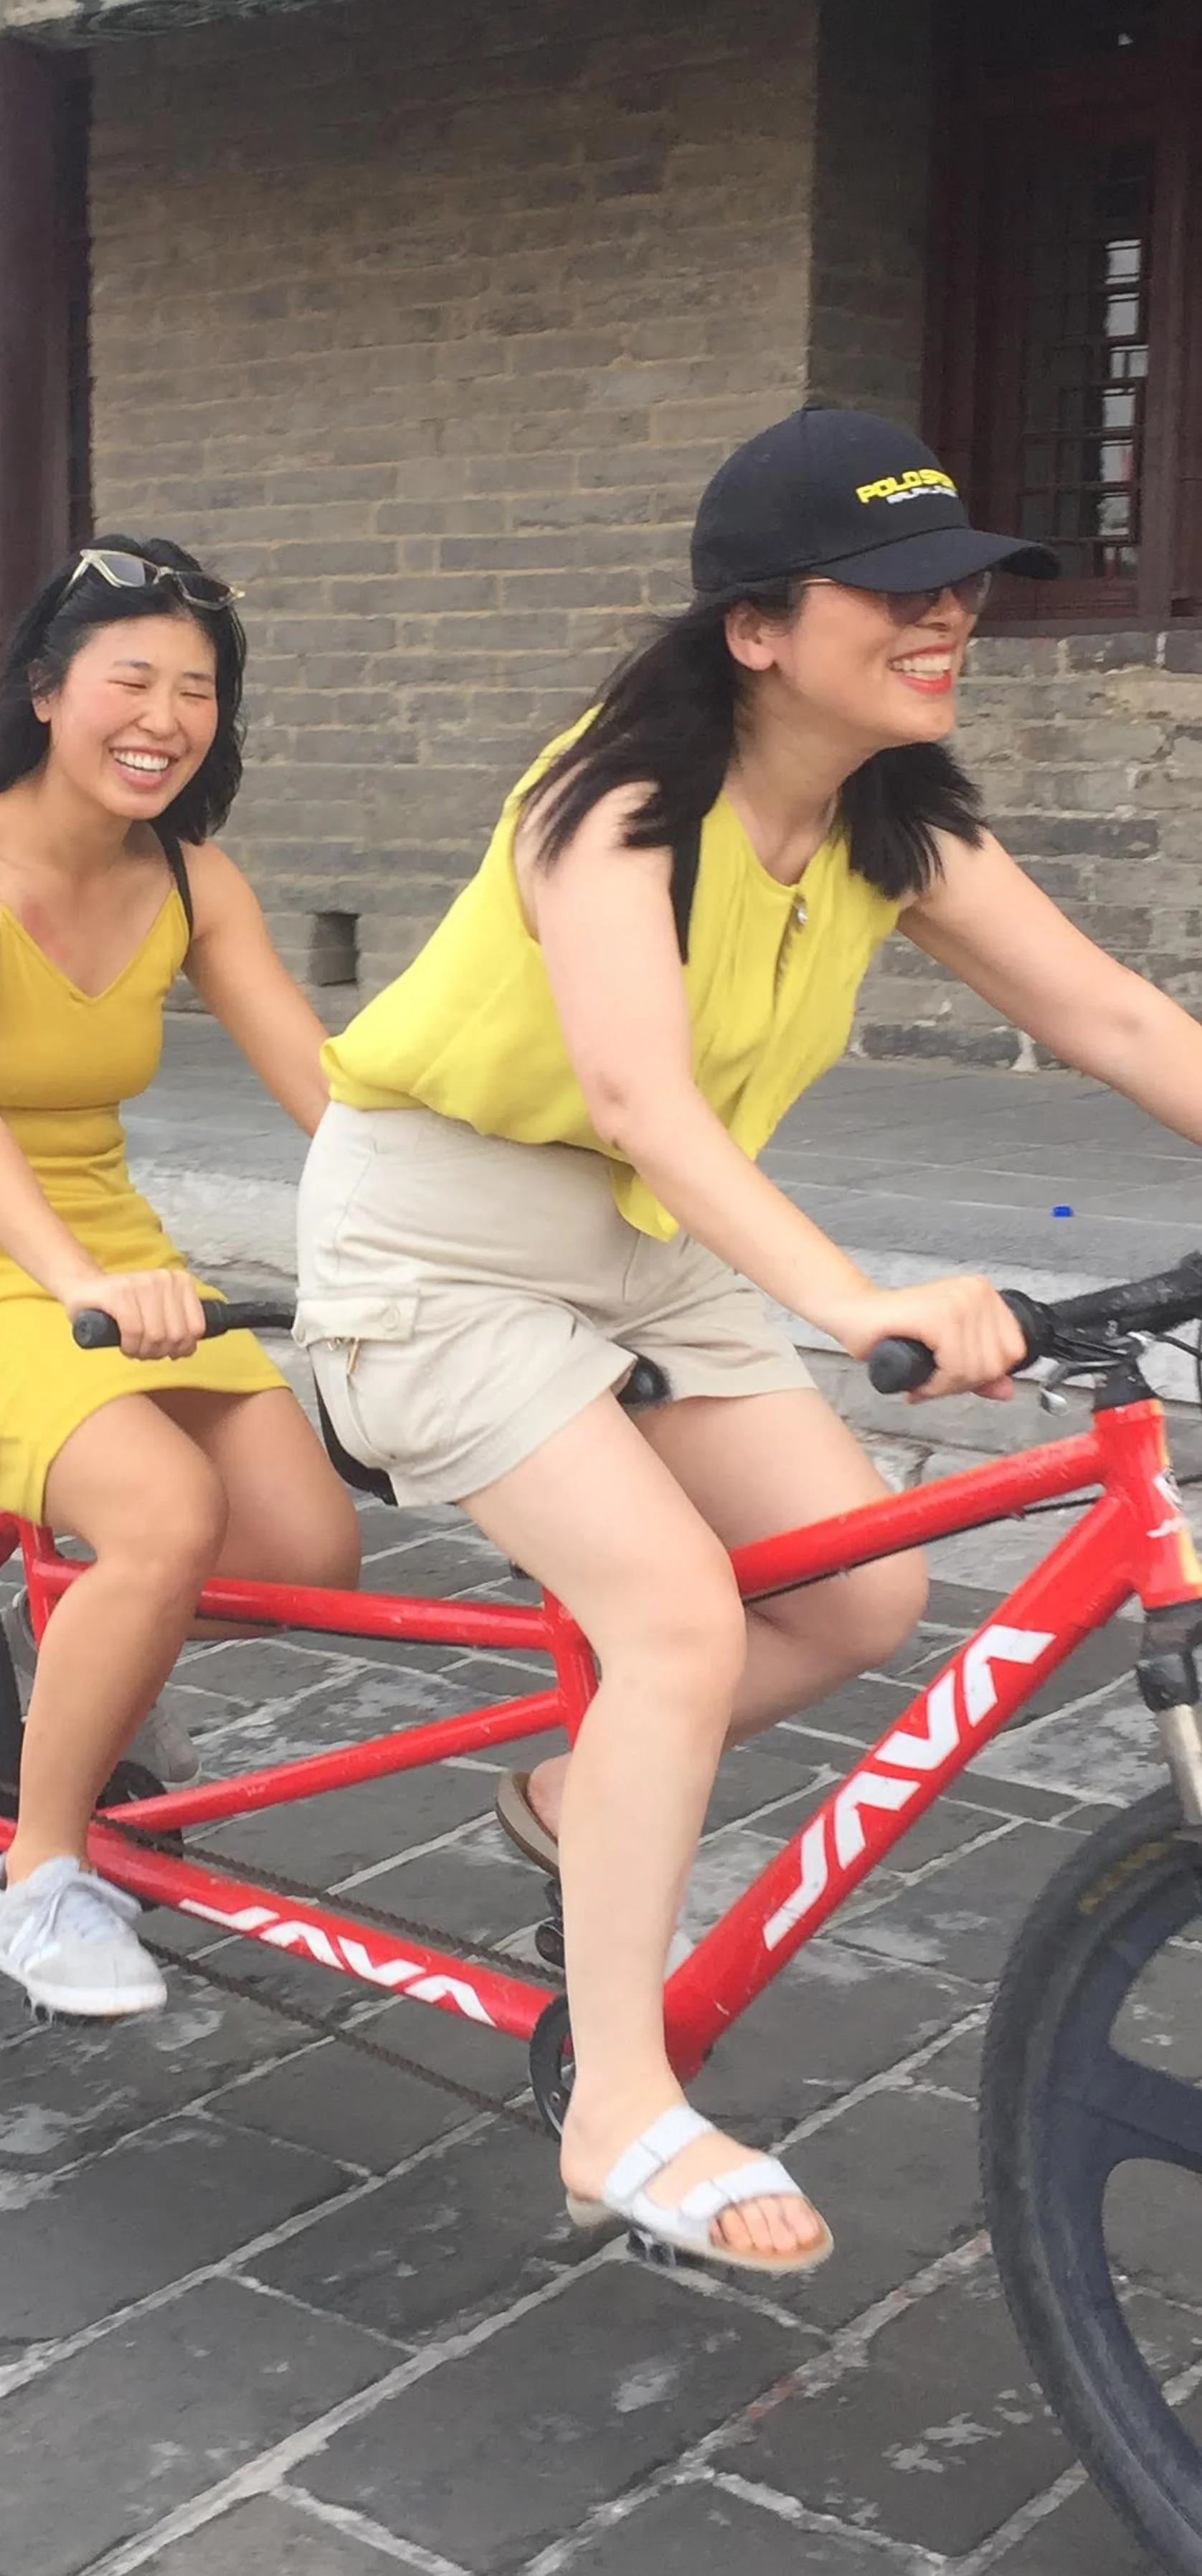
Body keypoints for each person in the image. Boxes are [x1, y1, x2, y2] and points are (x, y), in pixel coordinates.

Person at [297, 404, 1202, 2277]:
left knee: (859, 1593)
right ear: (757, 627)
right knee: (678, 1619)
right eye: (896, 588)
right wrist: (851, 1299)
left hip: (641, 1249)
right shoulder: (612, 802)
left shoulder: (892, 817)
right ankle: (615, 2102)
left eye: (960, 585)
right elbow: (640, 1094)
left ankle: (573, 1799)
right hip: (440, 1241)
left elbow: (1112, 1017)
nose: (944, 615)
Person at [0, 537, 359, 2021]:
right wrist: (80, 1282)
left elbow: (330, 1091)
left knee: (306, 1552)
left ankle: (71, 1637)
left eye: (198, 688)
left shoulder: (191, 877)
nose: (164, 718)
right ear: (49, 691)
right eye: (132, 678)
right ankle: (41, 1873)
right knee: (165, 1512)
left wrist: (482, 1216)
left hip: (107, 1250)